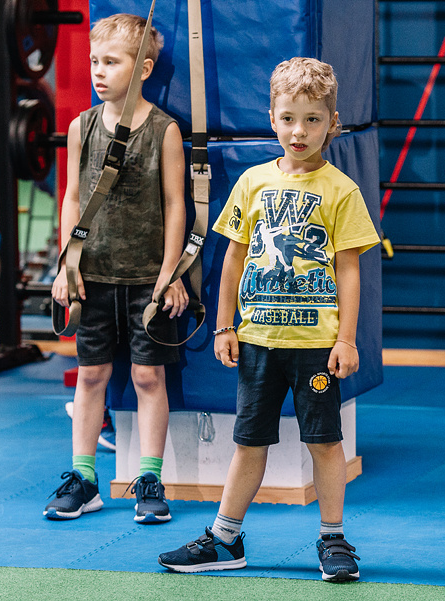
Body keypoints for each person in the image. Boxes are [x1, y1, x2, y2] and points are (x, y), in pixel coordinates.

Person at [158, 57, 380, 582]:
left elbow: (350, 272)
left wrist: (346, 339)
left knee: (324, 441)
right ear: (272, 117)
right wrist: (224, 325)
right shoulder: (253, 183)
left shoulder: (341, 190)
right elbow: (232, 259)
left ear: (333, 122)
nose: (298, 131)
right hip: (258, 340)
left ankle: (333, 538)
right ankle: (224, 538)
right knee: (248, 440)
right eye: (287, 118)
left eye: (311, 119)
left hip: (315, 345)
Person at [45, 13, 189, 523]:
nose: (98, 72)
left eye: (111, 62)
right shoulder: (80, 126)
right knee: (91, 376)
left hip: (148, 279)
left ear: (144, 67)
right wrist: (68, 264)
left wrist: (169, 273)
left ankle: (149, 475)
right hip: (93, 275)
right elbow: (71, 197)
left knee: (150, 376)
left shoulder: (164, 130)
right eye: (93, 62)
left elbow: (177, 205)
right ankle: (84, 478)